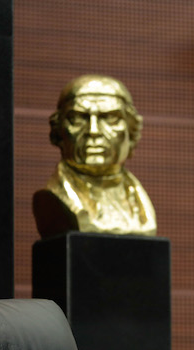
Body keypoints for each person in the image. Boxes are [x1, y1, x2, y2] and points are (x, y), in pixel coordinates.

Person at [33, 74, 157, 238]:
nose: (93, 131)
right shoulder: (52, 201)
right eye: (78, 118)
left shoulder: (141, 206)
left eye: (110, 118)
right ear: (59, 131)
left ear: (131, 131)